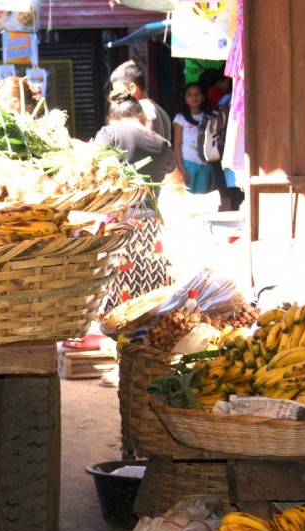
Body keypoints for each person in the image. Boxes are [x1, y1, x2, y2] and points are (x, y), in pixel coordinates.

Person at [93, 92, 177, 379]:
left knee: (117, 301)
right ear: (143, 116)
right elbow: (173, 175)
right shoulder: (162, 144)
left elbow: (95, 172)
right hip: (152, 230)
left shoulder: (108, 134)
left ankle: (120, 366)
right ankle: (148, 364)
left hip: (120, 227)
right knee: (149, 299)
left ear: (111, 115)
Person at [110, 59, 172, 142]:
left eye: (118, 91)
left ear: (132, 88)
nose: (116, 97)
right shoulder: (160, 111)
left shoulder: (141, 112)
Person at [172, 82, 212, 194]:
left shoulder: (209, 118)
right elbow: (177, 144)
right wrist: (181, 169)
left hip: (205, 165)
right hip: (187, 163)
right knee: (186, 198)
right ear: (185, 99)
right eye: (190, 95)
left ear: (203, 97)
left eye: (197, 94)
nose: (194, 97)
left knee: (200, 199)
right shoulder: (180, 118)